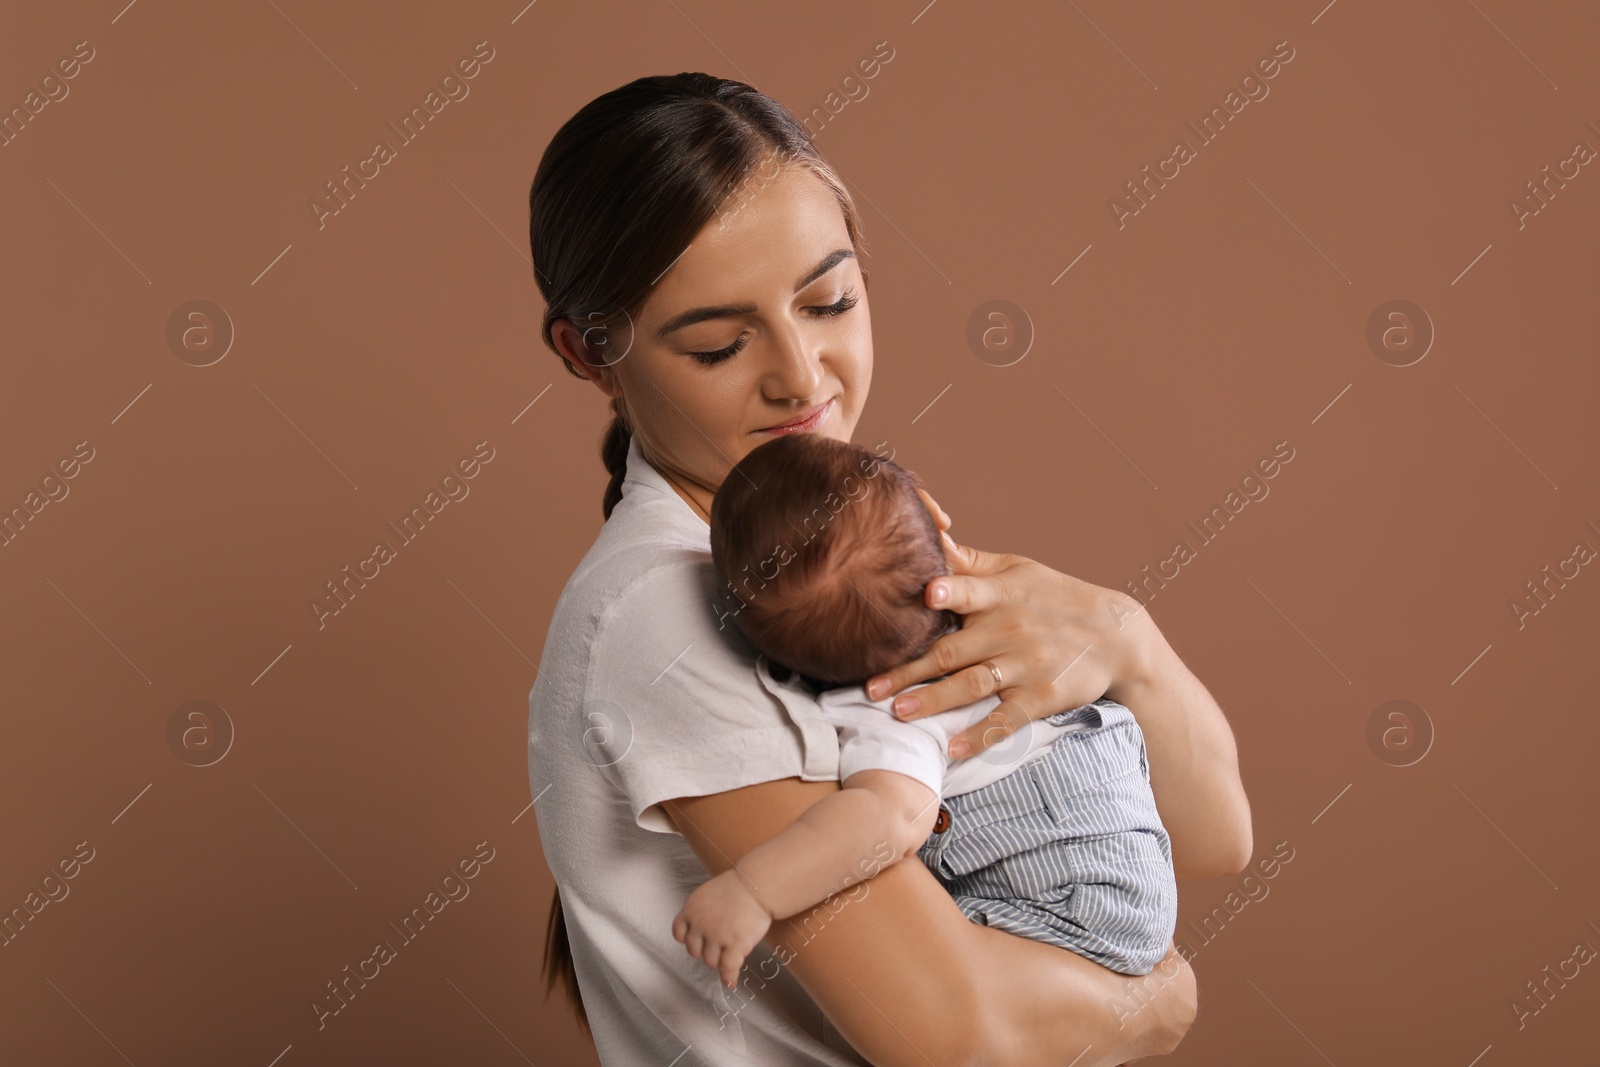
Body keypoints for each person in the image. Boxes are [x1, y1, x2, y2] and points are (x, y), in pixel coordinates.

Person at [527, 72, 1252, 1067]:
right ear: (590, 351)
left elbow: (1210, 838)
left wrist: (1123, 639)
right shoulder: (669, 608)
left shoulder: (848, 546)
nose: (801, 375)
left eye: (829, 300)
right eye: (719, 344)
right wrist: (1162, 996)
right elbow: (958, 1034)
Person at [672, 433, 1177, 990]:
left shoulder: (892, 712)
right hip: (1125, 869)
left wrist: (752, 889)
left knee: (932, 987)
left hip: (1064, 899)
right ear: (935, 522)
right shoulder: (1014, 621)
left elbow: (889, 817)